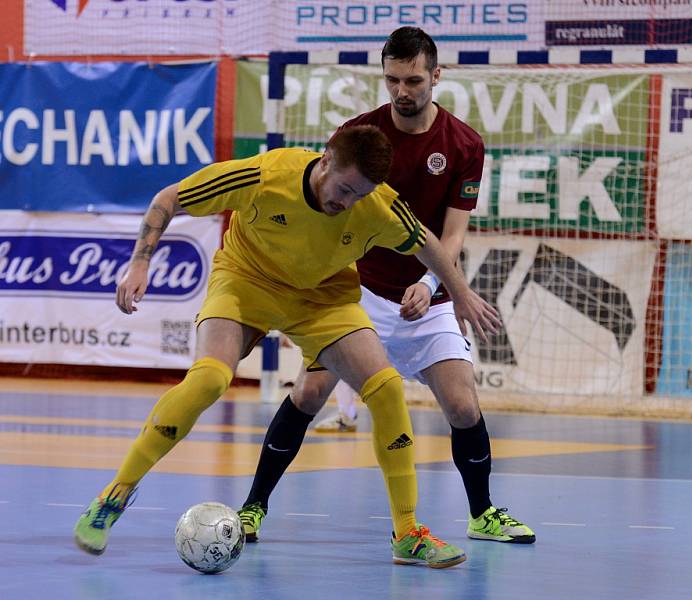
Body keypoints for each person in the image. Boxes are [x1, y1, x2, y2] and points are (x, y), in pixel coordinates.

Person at [72, 124, 502, 569]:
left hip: (323, 299)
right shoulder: (266, 175)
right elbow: (170, 198)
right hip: (245, 283)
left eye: (360, 195)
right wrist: (140, 263)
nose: (347, 203)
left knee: (387, 388)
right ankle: (114, 495)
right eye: (344, 189)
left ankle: (407, 532)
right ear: (325, 160)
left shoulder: (376, 205)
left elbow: (428, 243)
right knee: (208, 380)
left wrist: (461, 294)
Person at [239, 27, 535, 545]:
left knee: (464, 405)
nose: (402, 91)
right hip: (359, 293)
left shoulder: (464, 145)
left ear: (436, 76)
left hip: (429, 293)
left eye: (414, 80)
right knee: (309, 392)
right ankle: (252, 507)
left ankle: (483, 514)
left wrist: (430, 281)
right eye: (393, 79)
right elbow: (331, 218)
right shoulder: (358, 135)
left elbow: (453, 234)